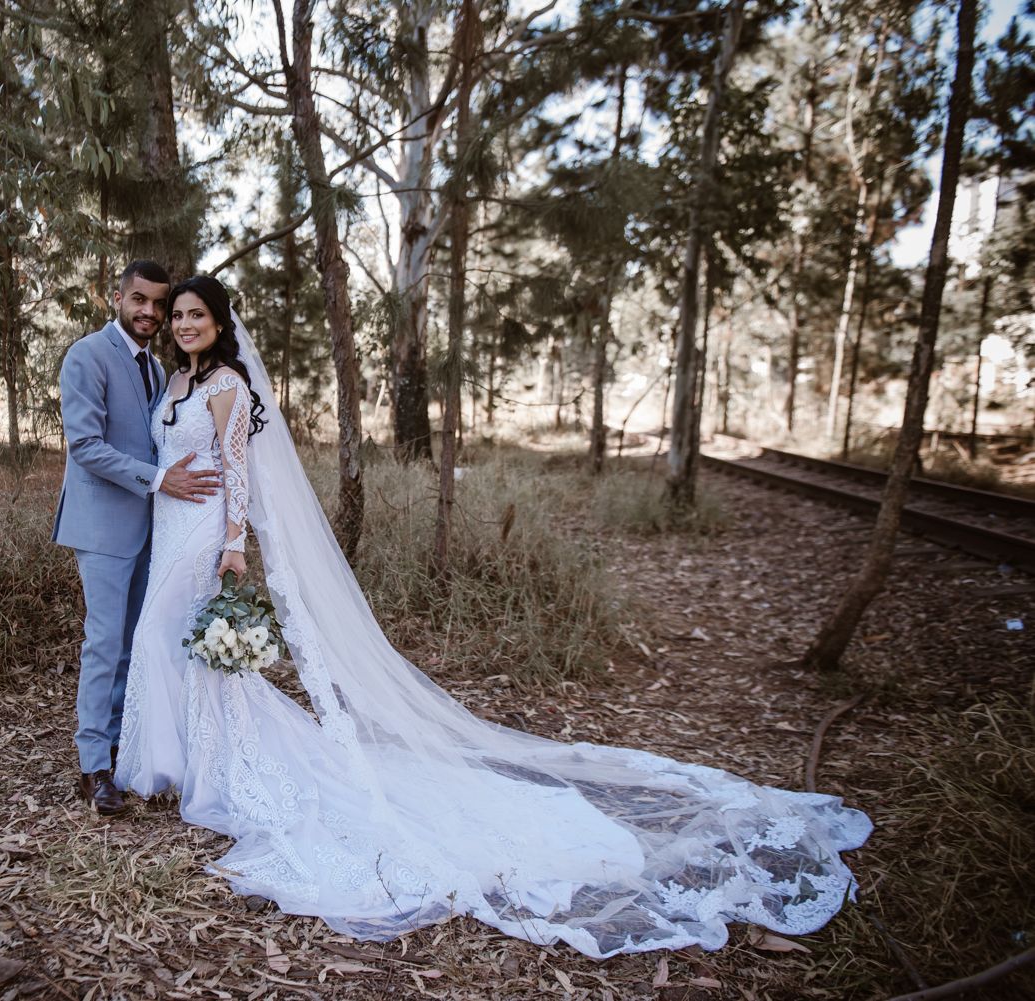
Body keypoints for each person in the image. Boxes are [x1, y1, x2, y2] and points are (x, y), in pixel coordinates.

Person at [115, 275, 871, 958]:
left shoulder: (227, 388)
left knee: (167, 642)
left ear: (220, 323)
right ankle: (192, 764)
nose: (183, 323)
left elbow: (239, 472)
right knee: (184, 651)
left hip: (209, 535)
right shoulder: (178, 378)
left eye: (196, 315)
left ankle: (200, 766)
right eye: (177, 315)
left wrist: (236, 545)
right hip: (173, 526)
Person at [51, 260, 219, 816]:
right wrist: (159, 479)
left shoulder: (156, 367)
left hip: (157, 528)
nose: (149, 312)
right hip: (102, 526)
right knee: (104, 643)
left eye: (159, 304)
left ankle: (126, 745)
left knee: (138, 638)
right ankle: (93, 764)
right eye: (139, 300)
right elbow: (86, 445)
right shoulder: (87, 356)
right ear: (116, 297)